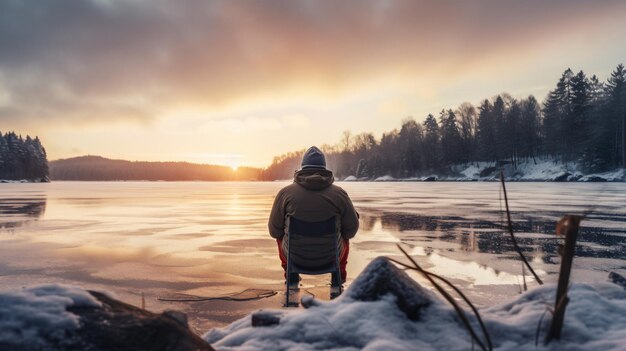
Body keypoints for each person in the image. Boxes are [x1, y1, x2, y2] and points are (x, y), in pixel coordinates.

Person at [268, 146, 359, 284]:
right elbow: (351, 231)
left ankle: (290, 275)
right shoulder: (339, 194)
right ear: (324, 168)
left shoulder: (285, 194)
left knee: (280, 234)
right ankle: (338, 276)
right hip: (332, 257)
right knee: (345, 234)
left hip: (294, 257)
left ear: (302, 168)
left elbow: (274, 231)